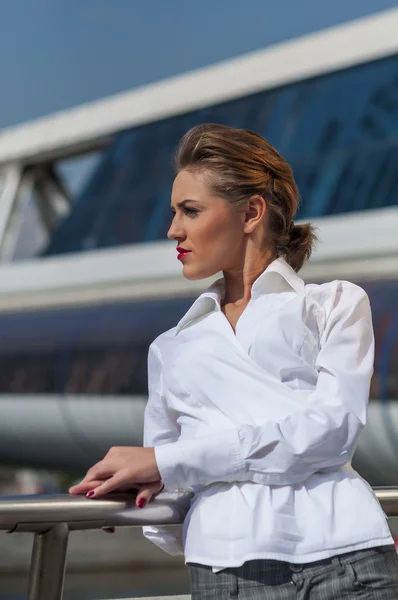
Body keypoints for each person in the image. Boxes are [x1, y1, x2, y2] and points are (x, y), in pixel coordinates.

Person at [69, 123, 398, 598]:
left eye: (191, 210)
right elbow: (169, 500)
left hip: (351, 561)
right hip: (230, 576)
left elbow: (330, 435)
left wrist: (170, 461)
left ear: (251, 212)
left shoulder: (334, 305)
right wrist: (138, 495)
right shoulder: (171, 347)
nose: (172, 230)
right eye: (174, 212)